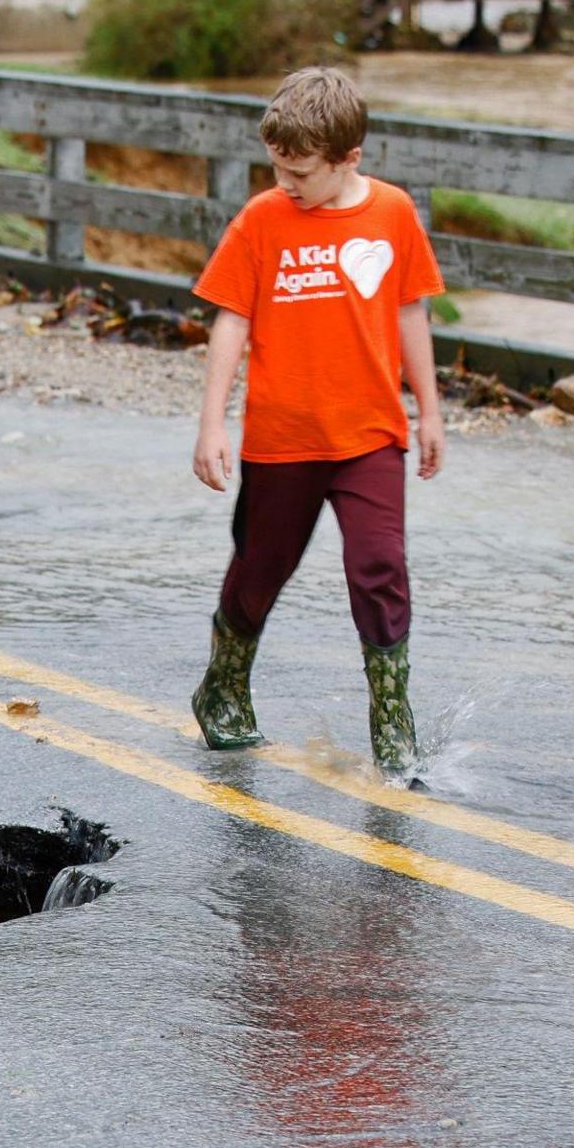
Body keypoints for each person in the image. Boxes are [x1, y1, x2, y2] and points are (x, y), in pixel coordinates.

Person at [189, 68, 448, 775]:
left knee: (379, 565)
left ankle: (392, 717)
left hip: (370, 433)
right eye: (277, 166)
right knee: (261, 568)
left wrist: (429, 411)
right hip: (283, 435)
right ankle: (224, 683)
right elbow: (231, 320)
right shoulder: (262, 220)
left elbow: (409, 311)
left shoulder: (392, 215)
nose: (286, 183)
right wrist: (212, 424)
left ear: (349, 160)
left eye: (300, 171)